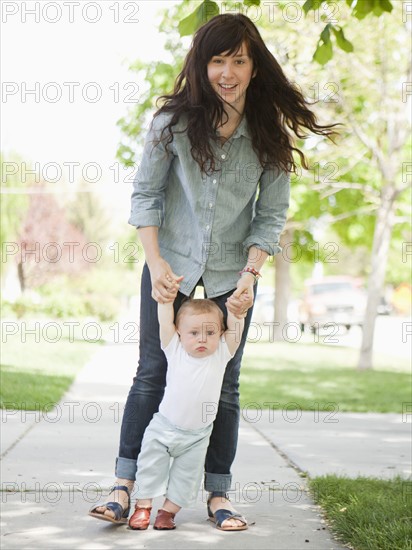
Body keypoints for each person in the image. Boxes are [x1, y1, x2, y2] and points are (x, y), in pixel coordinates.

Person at [88, 13, 338, 530]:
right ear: (202, 66)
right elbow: (146, 196)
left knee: (225, 385)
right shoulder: (172, 122)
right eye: (217, 60)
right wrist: (155, 264)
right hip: (170, 267)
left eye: (238, 61)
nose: (227, 71)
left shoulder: (267, 132)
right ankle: (123, 485)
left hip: (232, 274)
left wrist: (249, 278)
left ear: (253, 66)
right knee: (152, 373)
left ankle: (217, 494)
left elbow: (269, 216)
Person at [126, 296, 246, 530]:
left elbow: (235, 331)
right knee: (150, 467)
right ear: (179, 332)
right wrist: (165, 302)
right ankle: (143, 507)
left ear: (220, 333)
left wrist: (236, 314)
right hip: (163, 429)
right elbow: (164, 322)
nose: (202, 339)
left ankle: (167, 512)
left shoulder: (221, 354)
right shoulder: (174, 349)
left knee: (186, 479)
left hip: (197, 437)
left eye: (210, 333)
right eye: (193, 333)